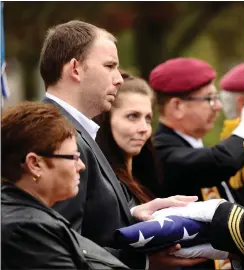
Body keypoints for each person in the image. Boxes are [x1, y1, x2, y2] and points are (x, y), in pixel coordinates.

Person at [40, 20, 206, 269]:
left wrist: (134, 213)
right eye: (109, 66)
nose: (118, 79)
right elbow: (57, 247)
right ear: (75, 69)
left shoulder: (75, 131)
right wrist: (145, 261)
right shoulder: (56, 136)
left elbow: (88, 220)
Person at [1, 102, 127, 269]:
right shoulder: (26, 229)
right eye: (73, 157)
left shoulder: (29, 217)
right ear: (34, 164)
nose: (81, 166)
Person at [150, 57, 244, 201]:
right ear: (177, 106)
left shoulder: (190, 146)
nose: (218, 106)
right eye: (209, 99)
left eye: (216, 97)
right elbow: (220, 161)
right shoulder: (160, 151)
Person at [95, 71, 162, 204]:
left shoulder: (149, 176)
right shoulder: (97, 182)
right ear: (106, 120)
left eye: (148, 118)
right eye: (132, 116)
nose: (144, 128)